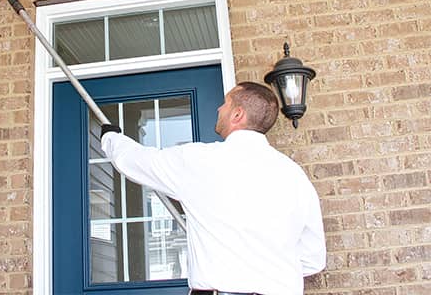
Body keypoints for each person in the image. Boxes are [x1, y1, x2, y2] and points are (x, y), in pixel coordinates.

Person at [100, 81, 326, 295]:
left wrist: (111, 137)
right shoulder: (295, 176)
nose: (219, 108)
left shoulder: (201, 161)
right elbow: (313, 259)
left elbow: (138, 162)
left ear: (238, 114)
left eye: (226, 103)